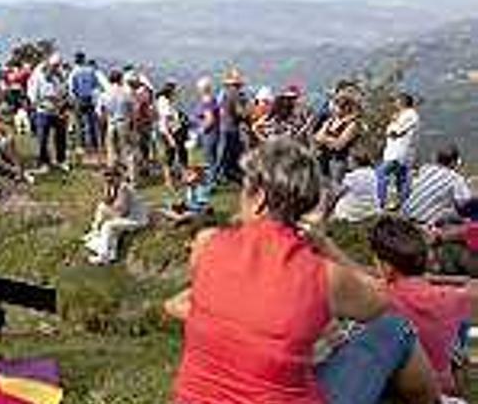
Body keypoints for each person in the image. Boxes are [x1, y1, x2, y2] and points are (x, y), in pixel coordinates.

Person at [166, 138, 439, 404]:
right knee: (396, 328)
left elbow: (244, 293)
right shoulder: (323, 275)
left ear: (259, 198)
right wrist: (324, 244)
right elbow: (381, 302)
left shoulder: (206, 244)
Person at [369, 216, 476, 399]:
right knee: (457, 344)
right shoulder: (454, 298)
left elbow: (354, 275)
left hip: (400, 389)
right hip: (443, 387)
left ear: (386, 267)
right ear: (429, 258)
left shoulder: (380, 297)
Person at [83, 165, 148, 265]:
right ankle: (111, 254)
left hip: (137, 219)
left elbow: (123, 211)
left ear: (118, 177)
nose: (109, 180)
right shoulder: (114, 187)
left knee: (108, 225)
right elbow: (107, 202)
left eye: (111, 177)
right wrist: (108, 190)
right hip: (128, 217)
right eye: (106, 177)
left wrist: (109, 214)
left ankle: (103, 256)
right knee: (102, 209)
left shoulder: (124, 188)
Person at [405, 145, 475, 226]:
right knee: (465, 208)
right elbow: (465, 202)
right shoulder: (455, 178)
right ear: (453, 162)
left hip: (406, 215)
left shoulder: (425, 169)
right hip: (423, 222)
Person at [27, 53, 69, 173]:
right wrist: (44, 104)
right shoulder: (38, 77)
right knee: (42, 138)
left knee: (61, 137)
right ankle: (44, 162)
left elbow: (64, 92)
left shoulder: (59, 77)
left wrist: (62, 105)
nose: (55, 69)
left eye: (57, 67)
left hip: (58, 111)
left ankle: (61, 160)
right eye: (54, 67)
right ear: (48, 65)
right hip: (43, 112)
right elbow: (33, 97)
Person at [377, 93, 420, 210]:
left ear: (403, 102)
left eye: (397, 101)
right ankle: (404, 204)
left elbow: (395, 132)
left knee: (381, 174)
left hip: (399, 153)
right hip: (397, 153)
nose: (395, 103)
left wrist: (393, 124)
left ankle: (380, 202)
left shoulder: (410, 115)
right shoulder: (402, 115)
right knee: (401, 179)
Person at [314, 92, 361, 183]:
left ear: (347, 108)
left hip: (338, 161)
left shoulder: (352, 124)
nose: (335, 109)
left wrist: (324, 139)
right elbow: (316, 137)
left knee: (335, 187)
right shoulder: (330, 121)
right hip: (323, 159)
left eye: (339, 106)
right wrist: (330, 140)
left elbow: (339, 145)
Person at [98, 70, 135, 180]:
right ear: (120, 79)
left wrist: (104, 123)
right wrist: (132, 125)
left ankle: (112, 175)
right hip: (123, 122)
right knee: (126, 150)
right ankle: (129, 176)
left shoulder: (104, 94)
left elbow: (101, 112)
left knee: (111, 150)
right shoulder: (126, 93)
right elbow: (131, 111)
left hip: (111, 123)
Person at [215, 68, 247, 184]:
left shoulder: (223, 93)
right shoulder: (235, 94)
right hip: (231, 128)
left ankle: (222, 176)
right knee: (228, 155)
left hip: (224, 126)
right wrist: (246, 113)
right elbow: (240, 113)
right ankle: (215, 178)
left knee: (225, 154)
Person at [331, 147, 381, 223]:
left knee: (340, 204)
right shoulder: (372, 172)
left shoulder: (352, 176)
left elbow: (339, 193)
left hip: (356, 210)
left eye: (350, 160)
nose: (348, 163)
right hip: (372, 208)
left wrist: (334, 181)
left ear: (356, 162)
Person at [156, 81, 188, 190]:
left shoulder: (167, 101)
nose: (177, 92)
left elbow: (172, 116)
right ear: (171, 91)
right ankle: (169, 182)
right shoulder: (164, 103)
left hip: (174, 131)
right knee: (170, 157)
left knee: (179, 155)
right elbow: (165, 122)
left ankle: (183, 178)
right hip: (169, 133)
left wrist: (180, 117)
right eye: (175, 90)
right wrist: (170, 138)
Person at [69, 52, 101, 155]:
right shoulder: (91, 71)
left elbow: (72, 88)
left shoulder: (74, 72)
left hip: (79, 99)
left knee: (79, 123)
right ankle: (94, 145)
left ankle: (80, 145)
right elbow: (95, 86)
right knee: (91, 123)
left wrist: (73, 99)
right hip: (90, 99)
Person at [194, 76, 220, 185]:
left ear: (202, 89)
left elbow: (210, 120)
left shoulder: (207, 101)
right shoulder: (212, 99)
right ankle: (213, 179)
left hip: (209, 134)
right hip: (213, 133)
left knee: (209, 159)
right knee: (212, 158)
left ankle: (211, 182)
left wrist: (200, 130)